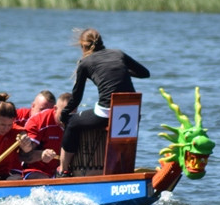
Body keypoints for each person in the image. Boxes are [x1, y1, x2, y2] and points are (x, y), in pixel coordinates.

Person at [56, 28, 150, 177]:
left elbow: (76, 97)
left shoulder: (85, 63)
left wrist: (64, 114)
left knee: (73, 123)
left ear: (83, 46)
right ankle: (123, 169)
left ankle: (64, 170)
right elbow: (145, 73)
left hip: (108, 112)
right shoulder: (119, 53)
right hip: (132, 111)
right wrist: (122, 70)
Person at [20, 92, 71, 179]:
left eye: (71, 113)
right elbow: (24, 156)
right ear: (55, 108)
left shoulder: (75, 122)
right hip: (35, 171)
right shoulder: (38, 121)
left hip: (60, 171)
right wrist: (41, 155)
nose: (68, 117)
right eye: (64, 113)